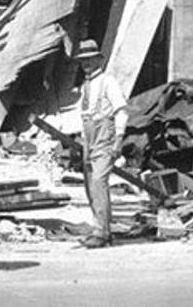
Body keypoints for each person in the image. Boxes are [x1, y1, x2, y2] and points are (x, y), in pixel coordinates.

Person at [76, 38, 127, 249]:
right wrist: (83, 140)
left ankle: (102, 232)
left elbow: (121, 111)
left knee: (99, 181)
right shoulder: (85, 86)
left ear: (98, 60)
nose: (86, 64)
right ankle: (101, 228)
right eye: (83, 61)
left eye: (90, 60)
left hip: (105, 135)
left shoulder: (109, 82)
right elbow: (83, 115)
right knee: (90, 184)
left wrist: (118, 141)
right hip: (89, 137)